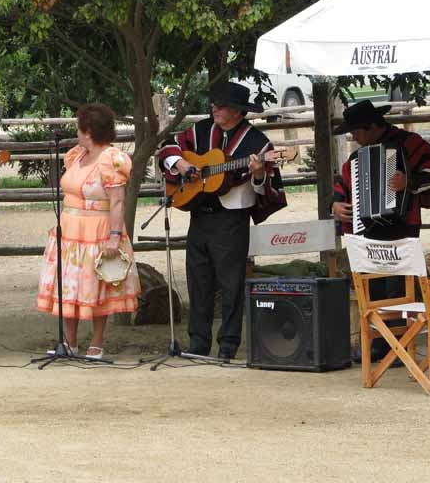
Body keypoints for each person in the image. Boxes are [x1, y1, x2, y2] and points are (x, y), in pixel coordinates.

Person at [158, 81, 287, 360]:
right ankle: (198, 344)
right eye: (214, 103)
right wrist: (182, 164)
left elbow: (265, 187)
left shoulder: (258, 143)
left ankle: (227, 346)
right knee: (198, 282)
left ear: (238, 111)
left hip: (231, 220)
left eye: (222, 104)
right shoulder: (200, 130)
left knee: (230, 285)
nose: (214, 107)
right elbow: (169, 147)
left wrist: (257, 172)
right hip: (199, 217)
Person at [330, 99, 430, 361]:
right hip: (368, 230)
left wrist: (408, 181)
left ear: (370, 127)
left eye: (356, 132)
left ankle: (400, 345)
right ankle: (379, 346)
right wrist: (336, 205)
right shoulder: (357, 158)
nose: (354, 138)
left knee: (400, 287)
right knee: (373, 288)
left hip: (403, 226)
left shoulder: (411, 143)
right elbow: (342, 184)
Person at [37, 103, 140, 359]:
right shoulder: (77, 155)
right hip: (70, 229)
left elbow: (117, 200)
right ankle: (69, 342)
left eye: (80, 127)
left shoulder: (111, 159)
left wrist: (115, 236)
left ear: (89, 130)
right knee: (69, 285)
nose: (77, 132)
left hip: (98, 229)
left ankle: (96, 343)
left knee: (96, 287)